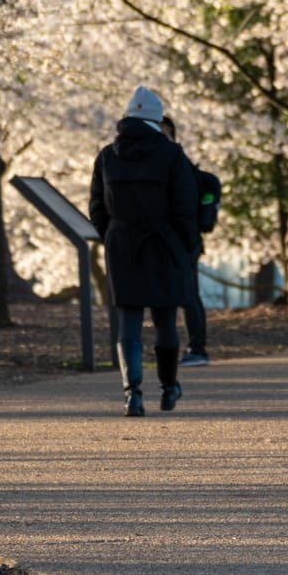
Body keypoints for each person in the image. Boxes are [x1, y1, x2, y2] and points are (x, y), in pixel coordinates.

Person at [89, 86, 200, 417]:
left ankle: (132, 393)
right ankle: (169, 387)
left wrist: (111, 235)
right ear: (156, 118)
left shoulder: (107, 156)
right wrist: (188, 245)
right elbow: (185, 205)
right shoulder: (172, 154)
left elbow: (97, 207)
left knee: (129, 321)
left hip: (122, 244)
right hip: (165, 242)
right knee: (165, 318)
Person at [162, 117, 210, 368]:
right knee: (187, 295)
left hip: (185, 242)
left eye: (164, 131)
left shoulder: (178, 161)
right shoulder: (175, 161)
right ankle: (193, 347)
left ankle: (197, 347)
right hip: (182, 240)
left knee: (189, 295)